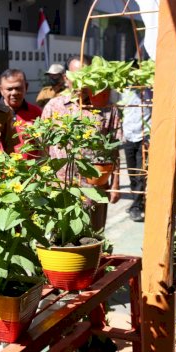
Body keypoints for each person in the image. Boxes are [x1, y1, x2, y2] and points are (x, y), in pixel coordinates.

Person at [42, 55, 120, 231]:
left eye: (86, 76)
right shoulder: (54, 106)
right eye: (75, 77)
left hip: (94, 188)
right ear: (66, 78)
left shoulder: (106, 108)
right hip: (61, 188)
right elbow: (44, 149)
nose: (80, 83)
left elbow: (114, 149)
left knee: (94, 236)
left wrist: (115, 184)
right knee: (61, 237)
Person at [120, 86, 151, 222]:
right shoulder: (124, 92)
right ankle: (137, 202)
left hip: (143, 137)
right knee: (132, 173)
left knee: (140, 173)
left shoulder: (149, 91)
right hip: (128, 136)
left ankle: (136, 207)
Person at [0, 68, 42, 158]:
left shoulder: (37, 113)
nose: (14, 93)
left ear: (26, 87)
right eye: (9, 89)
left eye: (18, 88)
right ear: (1, 90)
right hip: (2, 171)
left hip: (31, 171)